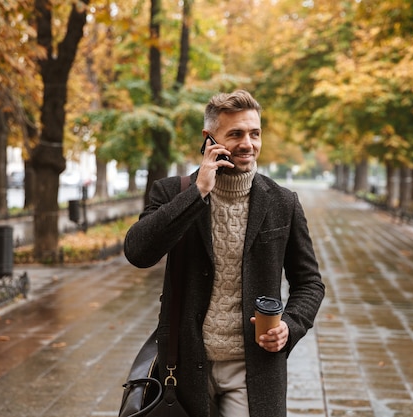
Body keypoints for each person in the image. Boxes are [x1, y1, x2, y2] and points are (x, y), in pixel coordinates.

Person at [124, 90, 324, 417]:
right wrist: (198, 192)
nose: (247, 143)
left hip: (253, 367)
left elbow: (309, 283)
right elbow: (138, 252)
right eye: (235, 134)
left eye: (254, 133)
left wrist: (290, 325)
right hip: (185, 365)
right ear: (209, 138)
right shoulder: (173, 192)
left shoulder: (282, 203)